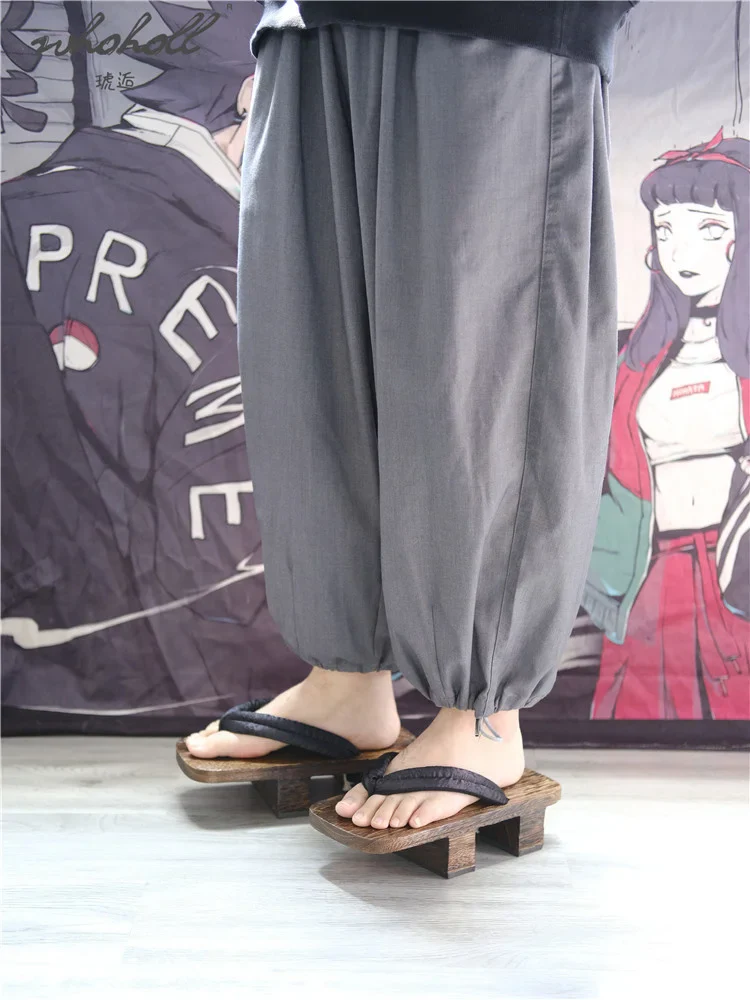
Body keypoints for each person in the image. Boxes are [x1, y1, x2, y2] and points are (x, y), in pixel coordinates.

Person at [185, 0, 636, 832]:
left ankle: (484, 713)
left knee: (475, 360)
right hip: (309, 23)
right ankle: (347, 681)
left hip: (501, 22)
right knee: (309, 349)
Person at [584, 130, 750, 721]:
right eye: (666, 228)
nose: (683, 251)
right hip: (649, 579)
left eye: (707, 228)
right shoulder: (632, 360)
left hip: (739, 578)